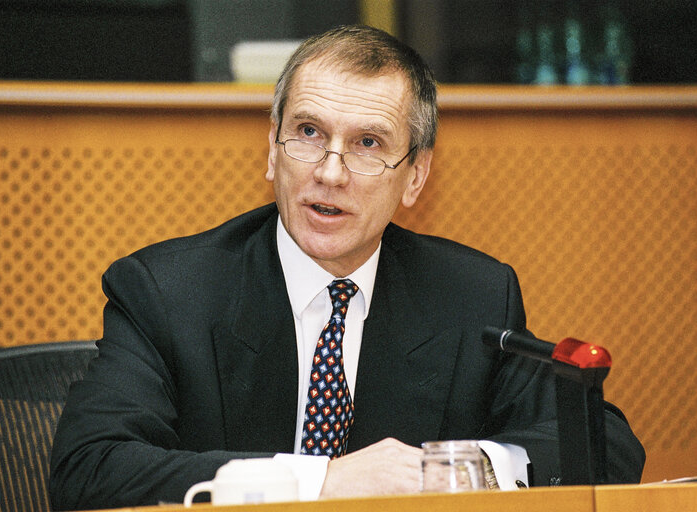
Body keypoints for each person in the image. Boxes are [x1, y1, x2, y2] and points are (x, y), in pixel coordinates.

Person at [49, 25, 644, 510]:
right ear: (272, 149)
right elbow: (90, 469)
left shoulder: (473, 294)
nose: (330, 172)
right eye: (308, 132)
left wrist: (460, 469)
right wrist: (322, 482)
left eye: (367, 144)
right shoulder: (167, 291)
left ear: (415, 176)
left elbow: (606, 446)